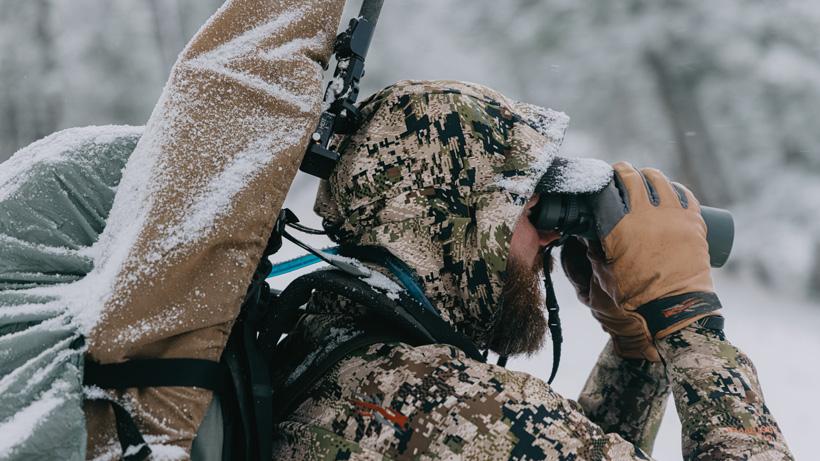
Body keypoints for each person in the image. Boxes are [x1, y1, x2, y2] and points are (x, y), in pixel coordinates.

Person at [269, 80, 794, 460]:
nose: (548, 234)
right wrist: (686, 319)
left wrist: (635, 349)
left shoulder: (333, 360)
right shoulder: (461, 414)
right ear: (454, 225)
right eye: (526, 207)